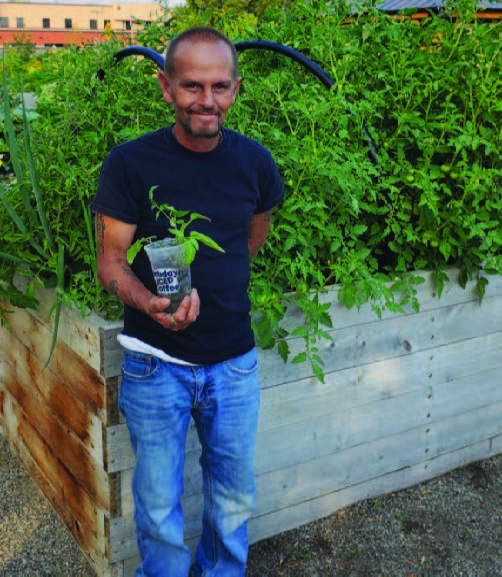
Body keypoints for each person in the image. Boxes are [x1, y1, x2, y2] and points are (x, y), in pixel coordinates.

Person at [91, 27, 284, 577]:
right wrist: (150, 302)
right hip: (156, 366)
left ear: (237, 88)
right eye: (192, 86)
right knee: (157, 506)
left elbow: (252, 236)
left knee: (234, 498)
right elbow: (111, 262)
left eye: (220, 86)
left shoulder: (254, 162)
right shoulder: (132, 163)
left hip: (234, 363)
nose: (207, 100)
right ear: (164, 86)